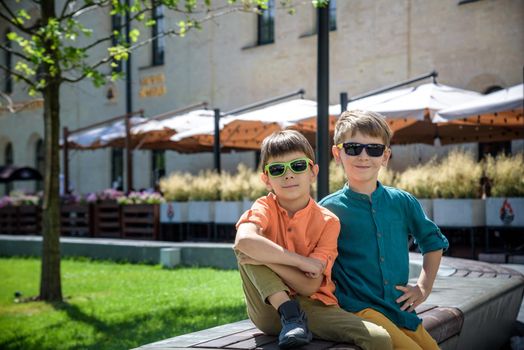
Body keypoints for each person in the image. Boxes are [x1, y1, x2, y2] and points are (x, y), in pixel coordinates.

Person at [234, 130, 392, 350]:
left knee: (379, 339)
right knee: (246, 245)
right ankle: (288, 313)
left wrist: (265, 259)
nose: (288, 175)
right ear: (266, 179)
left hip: (313, 307)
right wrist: (301, 262)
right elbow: (243, 242)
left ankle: (294, 316)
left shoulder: (328, 222)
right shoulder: (264, 207)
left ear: (313, 172)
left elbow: (310, 286)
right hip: (268, 309)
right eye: (277, 169)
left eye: (297, 166)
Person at [319, 110, 449, 350]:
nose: (364, 156)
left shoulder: (402, 201)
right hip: (359, 308)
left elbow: (433, 241)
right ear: (338, 154)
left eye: (374, 149)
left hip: (400, 310)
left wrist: (423, 287)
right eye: (353, 148)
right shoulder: (327, 209)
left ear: (385, 156)